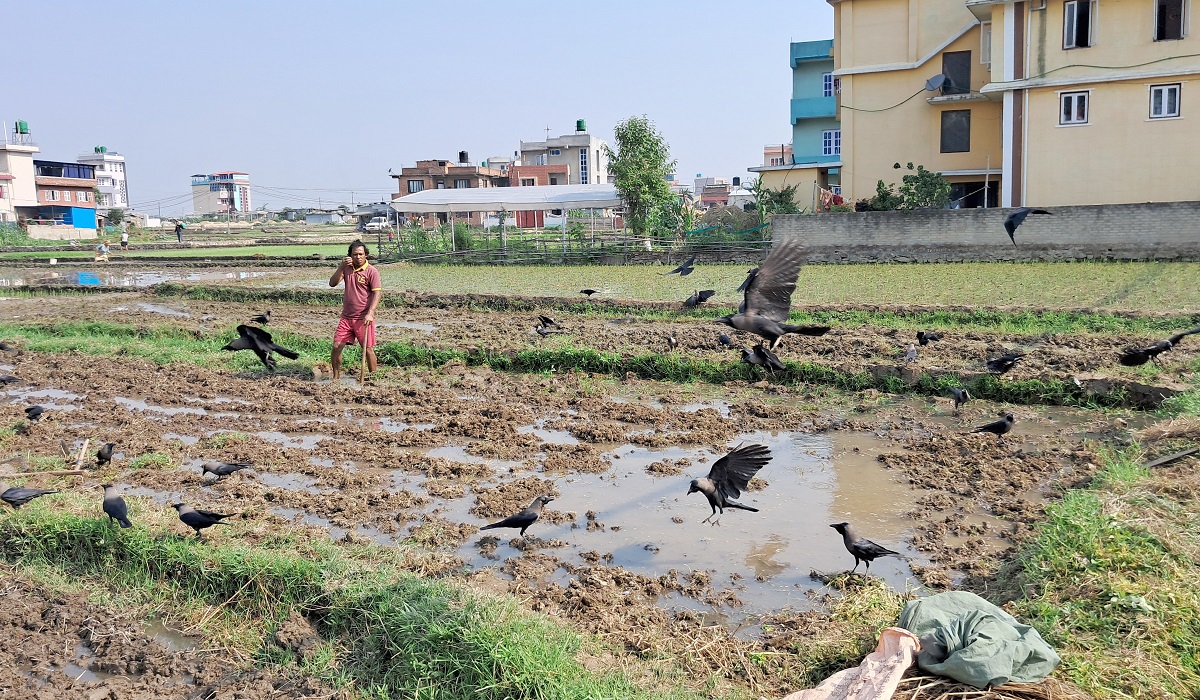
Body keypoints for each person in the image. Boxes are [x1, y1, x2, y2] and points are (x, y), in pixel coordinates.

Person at [329, 240, 381, 380]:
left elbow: (377, 293)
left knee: (368, 349)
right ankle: (336, 377)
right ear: (350, 256)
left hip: (363, 318)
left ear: (366, 255)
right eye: (355, 254)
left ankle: (373, 377)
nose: (358, 257)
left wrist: (370, 313)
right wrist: (341, 267)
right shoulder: (346, 269)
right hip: (347, 317)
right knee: (336, 346)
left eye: (360, 254)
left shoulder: (371, 271)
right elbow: (332, 283)